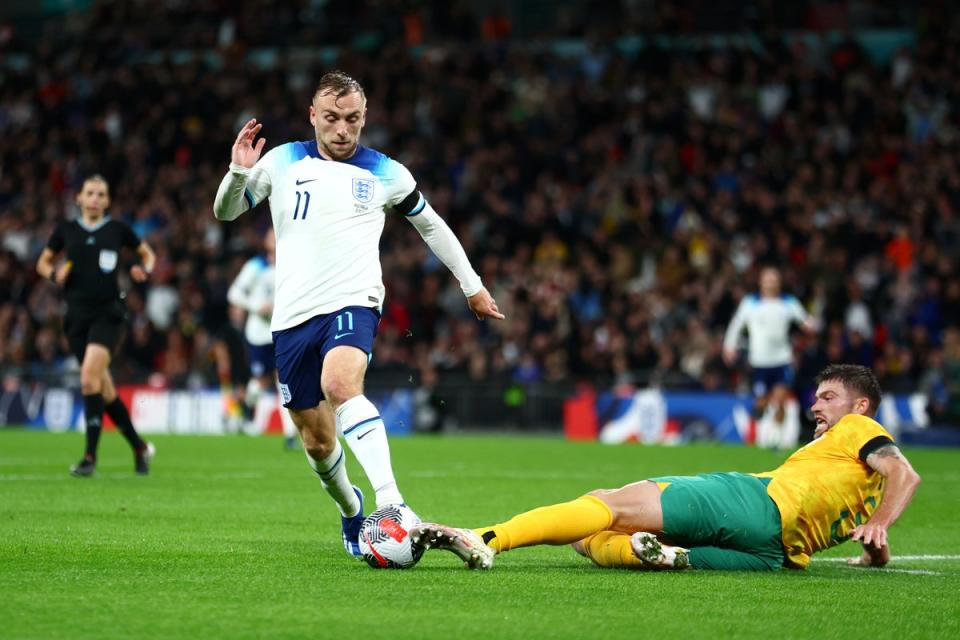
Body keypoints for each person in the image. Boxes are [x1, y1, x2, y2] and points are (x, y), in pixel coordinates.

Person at [213, 71, 504, 557]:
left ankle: (392, 504)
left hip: (354, 301)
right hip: (290, 318)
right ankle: (352, 509)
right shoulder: (282, 160)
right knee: (316, 440)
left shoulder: (386, 172)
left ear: (364, 118)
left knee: (342, 384)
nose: (342, 129)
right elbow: (226, 212)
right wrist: (239, 172)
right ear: (313, 115)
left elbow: (433, 227)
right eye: (331, 118)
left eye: (352, 119)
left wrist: (471, 286)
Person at [412, 364, 921, 571]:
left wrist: (879, 525)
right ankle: (648, 553)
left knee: (605, 503)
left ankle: (485, 537)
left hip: (755, 503)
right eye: (817, 397)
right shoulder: (866, 482)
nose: (817, 406)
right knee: (606, 540)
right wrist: (876, 551)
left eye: (829, 398)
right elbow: (875, 513)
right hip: (777, 558)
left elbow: (907, 474)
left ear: (860, 408)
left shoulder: (856, 431)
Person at [36, 175, 157, 477]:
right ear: (78, 198)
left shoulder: (117, 230)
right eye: (89, 193)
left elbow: (147, 254)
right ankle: (139, 447)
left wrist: (145, 269)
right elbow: (43, 262)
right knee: (104, 390)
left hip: (108, 315)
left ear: (107, 201)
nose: (94, 198)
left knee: (89, 378)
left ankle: (89, 457)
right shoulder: (66, 230)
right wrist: (54, 274)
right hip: (76, 318)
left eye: (101, 194)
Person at [723, 266, 817, 448]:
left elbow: (805, 321)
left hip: (782, 360)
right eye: (767, 279)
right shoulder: (750, 303)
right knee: (762, 402)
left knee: (780, 399)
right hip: (759, 362)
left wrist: (812, 326)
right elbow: (736, 325)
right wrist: (729, 346)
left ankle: (776, 439)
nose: (770, 283)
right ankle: (759, 413)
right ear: (761, 282)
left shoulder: (788, 302)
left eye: (773, 279)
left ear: (779, 283)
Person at [226, 228, 299, 448]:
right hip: (258, 333)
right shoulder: (255, 267)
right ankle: (247, 408)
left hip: (284, 330)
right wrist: (256, 307)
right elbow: (234, 293)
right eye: (270, 235)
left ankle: (289, 435)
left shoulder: (292, 265)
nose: (275, 238)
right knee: (259, 381)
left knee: (282, 380)